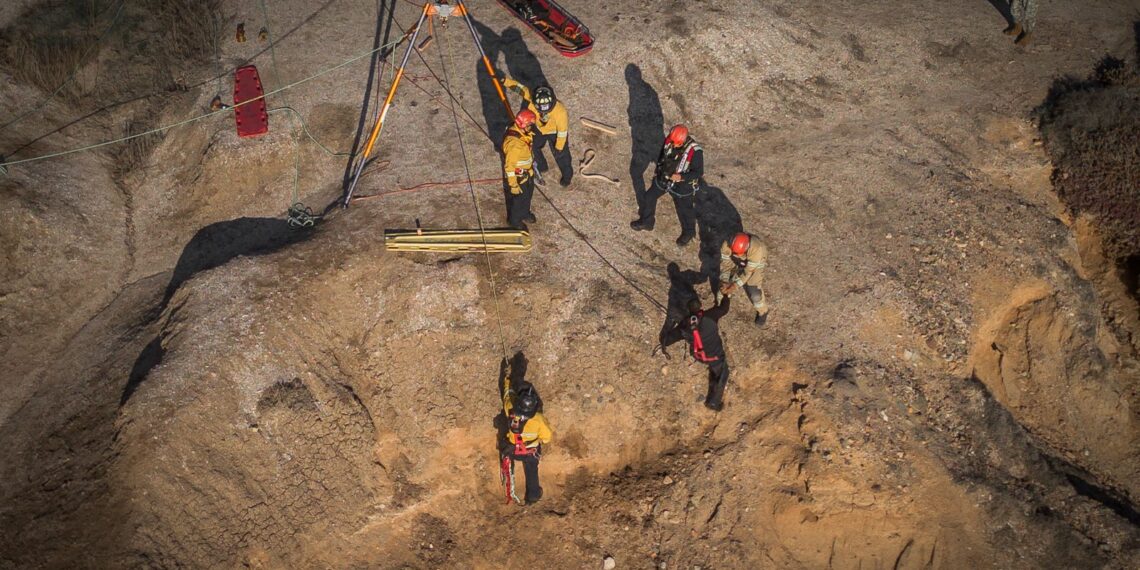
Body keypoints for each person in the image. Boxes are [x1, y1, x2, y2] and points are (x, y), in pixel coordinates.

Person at [629, 124, 704, 246]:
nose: (673, 145)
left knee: (684, 209)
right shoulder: (670, 140)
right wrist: (658, 170)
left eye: (676, 144)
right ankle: (647, 222)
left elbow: (698, 173)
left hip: (682, 185)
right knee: (649, 197)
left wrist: (681, 177)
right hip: (665, 177)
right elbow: (663, 156)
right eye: (672, 142)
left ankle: (689, 232)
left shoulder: (695, 152)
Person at [660, 297, 731, 411]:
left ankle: (713, 375)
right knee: (723, 372)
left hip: (699, 356)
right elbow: (724, 309)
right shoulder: (710, 315)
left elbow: (666, 341)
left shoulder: (684, 326)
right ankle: (713, 402)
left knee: (715, 368)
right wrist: (726, 297)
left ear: (688, 310)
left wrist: (672, 325)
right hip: (715, 356)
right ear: (700, 307)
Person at [503, 78, 572, 187]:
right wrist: (504, 81)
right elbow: (519, 88)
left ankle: (567, 177)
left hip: (555, 131)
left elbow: (562, 132)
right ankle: (542, 166)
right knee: (532, 146)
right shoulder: (531, 97)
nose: (542, 113)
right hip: (539, 129)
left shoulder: (560, 111)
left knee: (562, 156)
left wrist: (558, 148)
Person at [502, 380, 552, 504]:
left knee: (504, 442)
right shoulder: (539, 419)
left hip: (513, 451)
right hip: (530, 453)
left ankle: (506, 485)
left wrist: (508, 382)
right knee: (532, 470)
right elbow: (547, 438)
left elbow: (507, 396)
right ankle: (533, 496)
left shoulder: (510, 409)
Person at [717, 232, 770, 327]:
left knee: (754, 293)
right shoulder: (726, 245)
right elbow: (725, 266)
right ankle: (720, 305)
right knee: (722, 287)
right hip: (736, 258)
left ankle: (763, 311)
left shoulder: (757, 250)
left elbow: (748, 272)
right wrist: (724, 281)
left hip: (755, 264)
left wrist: (735, 285)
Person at [502, 109, 538, 230]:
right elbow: (509, 167)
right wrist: (513, 185)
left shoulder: (523, 135)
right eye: (530, 125)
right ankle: (515, 221)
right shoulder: (514, 144)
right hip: (519, 178)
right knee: (519, 200)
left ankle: (525, 213)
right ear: (523, 125)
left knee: (528, 196)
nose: (531, 127)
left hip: (528, 173)